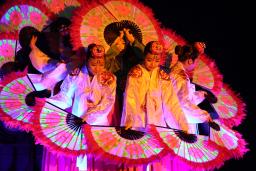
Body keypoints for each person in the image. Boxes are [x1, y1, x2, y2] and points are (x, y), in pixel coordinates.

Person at [47, 43, 116, 171]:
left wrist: (88, 116)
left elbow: (107, 102)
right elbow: (65, 97)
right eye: (94, 64)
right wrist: (47, 103)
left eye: (101, 64)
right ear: (86, 60)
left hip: (98, 124)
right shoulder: (76, 74)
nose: (97, 68)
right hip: (77, 122)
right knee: (78, 158)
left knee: (95, 161)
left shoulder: (109, 78)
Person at [121, 41, 188, 132]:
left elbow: (171, 101)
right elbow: (130, 97)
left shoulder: (162, 75)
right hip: (138, 121)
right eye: (149, 60)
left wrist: (182, 125)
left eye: (157, 61)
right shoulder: (135, 72)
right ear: (144, 56)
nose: (152, 64)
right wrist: (129, 120)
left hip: (157, 121)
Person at [169, 43, 212, 134]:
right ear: (190, 61)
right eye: (196, 61)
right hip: (175, 118)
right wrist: (203, 115)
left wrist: (201, 94)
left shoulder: (177, 71)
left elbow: (186, 97)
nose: (196, 64)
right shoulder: (181, 75)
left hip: (174, 114)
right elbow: (183, 102)